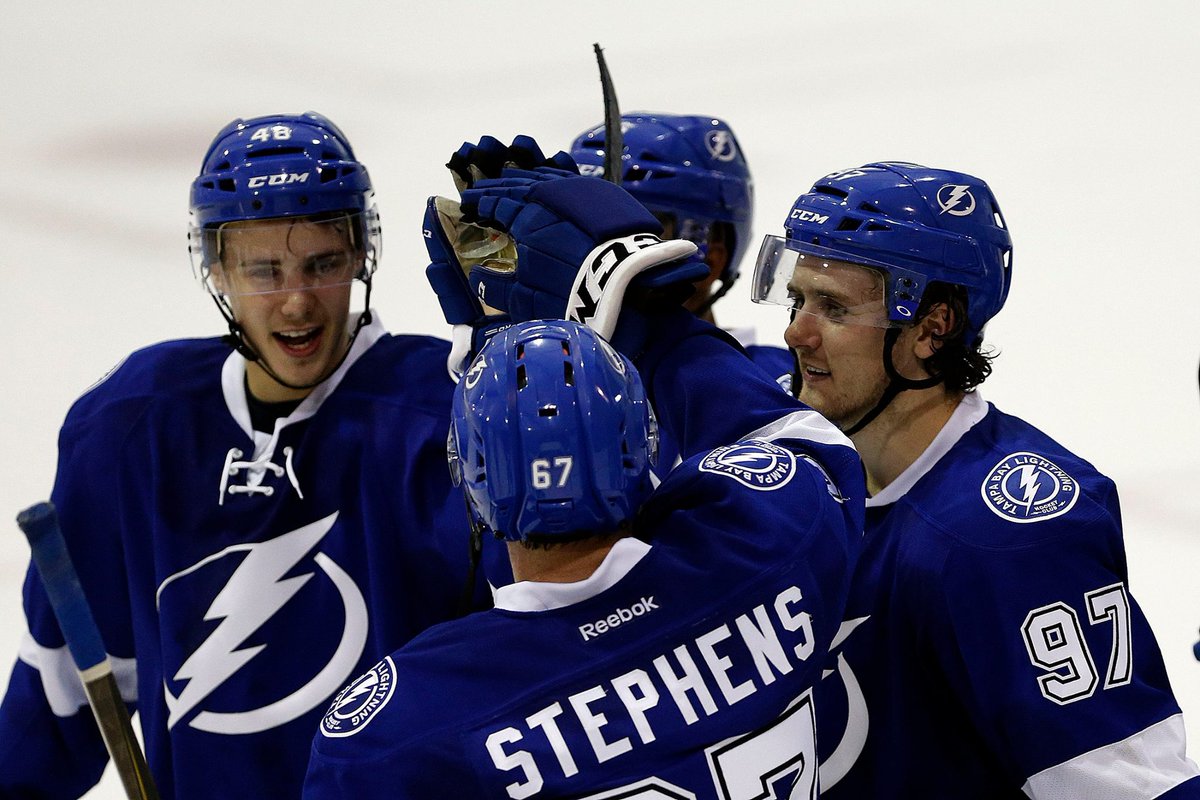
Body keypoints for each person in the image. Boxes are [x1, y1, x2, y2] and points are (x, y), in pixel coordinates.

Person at [0, 112, 484, 799]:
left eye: (321, 264)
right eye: (264, 269)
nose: (295, 300)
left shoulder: (445, 413)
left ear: (359, 256)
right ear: (218, 270)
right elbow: (57, 704)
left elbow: (545, 637)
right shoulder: (129, 428)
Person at [751, 161, 1200, 797]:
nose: (796, 333)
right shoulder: (792, 455)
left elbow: (1125, 785)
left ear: (933, 328)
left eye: (833, 307)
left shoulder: (1002, 539)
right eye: (797, 300)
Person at [303, 316, 864, 798]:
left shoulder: (398, 731)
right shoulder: (774, 547)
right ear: (644, 447)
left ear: (471, 480)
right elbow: (801, 438)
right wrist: (651, 313)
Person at [570, 112, 792, 382]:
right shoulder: (532, 368)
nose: (596, 254)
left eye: (635, 237)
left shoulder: (781, 384)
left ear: (711, 258)